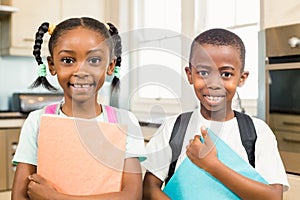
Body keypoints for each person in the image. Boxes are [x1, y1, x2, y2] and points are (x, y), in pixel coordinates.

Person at [142, 28, 289, 200]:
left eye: (226, 74)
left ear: (242, 78)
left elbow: (273, 197)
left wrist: (212, 165)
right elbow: (149, 189)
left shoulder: (258, 132)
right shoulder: (173, 128)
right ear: (189, 75)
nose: (213, 84)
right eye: (203, 73)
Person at [11, 17, 146, 200]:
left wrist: (54, 198)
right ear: (52, 65)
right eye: (68, 60)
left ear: (110, 66)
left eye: (95, 60)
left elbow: (132, 196)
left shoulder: (125, 122)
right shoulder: (37, 122)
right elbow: (19, 196)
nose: (81, 71)